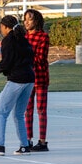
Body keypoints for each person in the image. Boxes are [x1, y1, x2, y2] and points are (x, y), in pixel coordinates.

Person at [0, 15, 35, 156]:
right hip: (30, 79)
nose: (1, 30)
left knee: (1, 113)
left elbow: (6, 63)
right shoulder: (23, 40)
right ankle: (24, 146)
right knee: (18, 114)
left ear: (6, 27)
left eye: (1, 27)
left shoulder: (8, 41)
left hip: (17, 80)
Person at [23, 8, 50, 152]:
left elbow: (40, 59)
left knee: (41, 110)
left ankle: (43, 142)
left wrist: (24, 56)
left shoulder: (43, 37)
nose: (26, 22)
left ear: (37, 21)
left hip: (40, 77)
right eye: (25, 19)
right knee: (27, 110)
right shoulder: (23, 37)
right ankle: (27, 140)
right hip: (27, 78)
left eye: (30, 19)